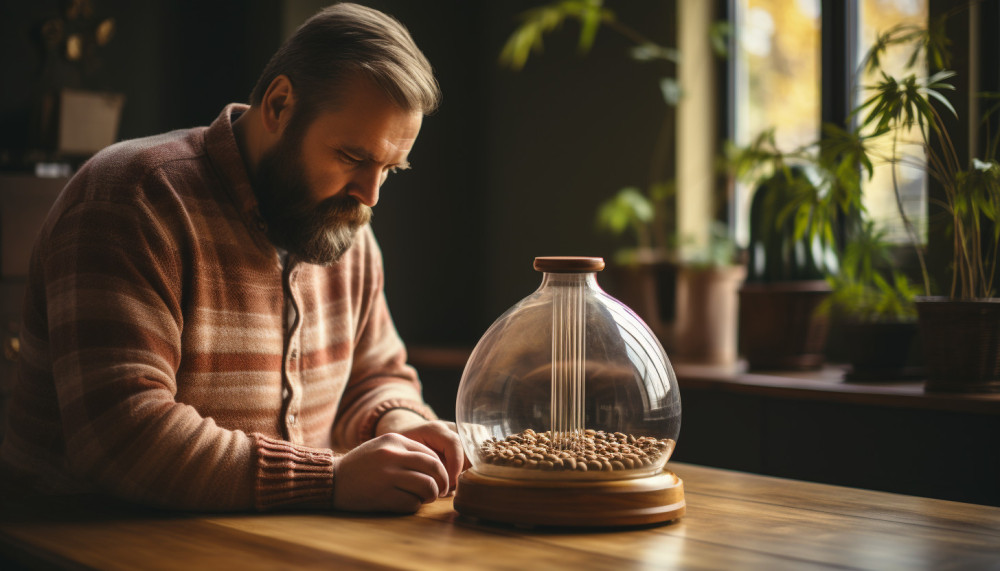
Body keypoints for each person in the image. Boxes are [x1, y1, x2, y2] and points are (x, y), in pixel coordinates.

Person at [0, 2, 464, 514]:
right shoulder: (132, 198)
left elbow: (375, 374)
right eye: (352, 157)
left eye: (390, 169)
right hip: (86, 544)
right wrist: (329, 479)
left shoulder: (343, 222)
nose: (370, 194)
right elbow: (120, 433)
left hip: (273, 541)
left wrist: (396, 423)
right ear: (280, 105)